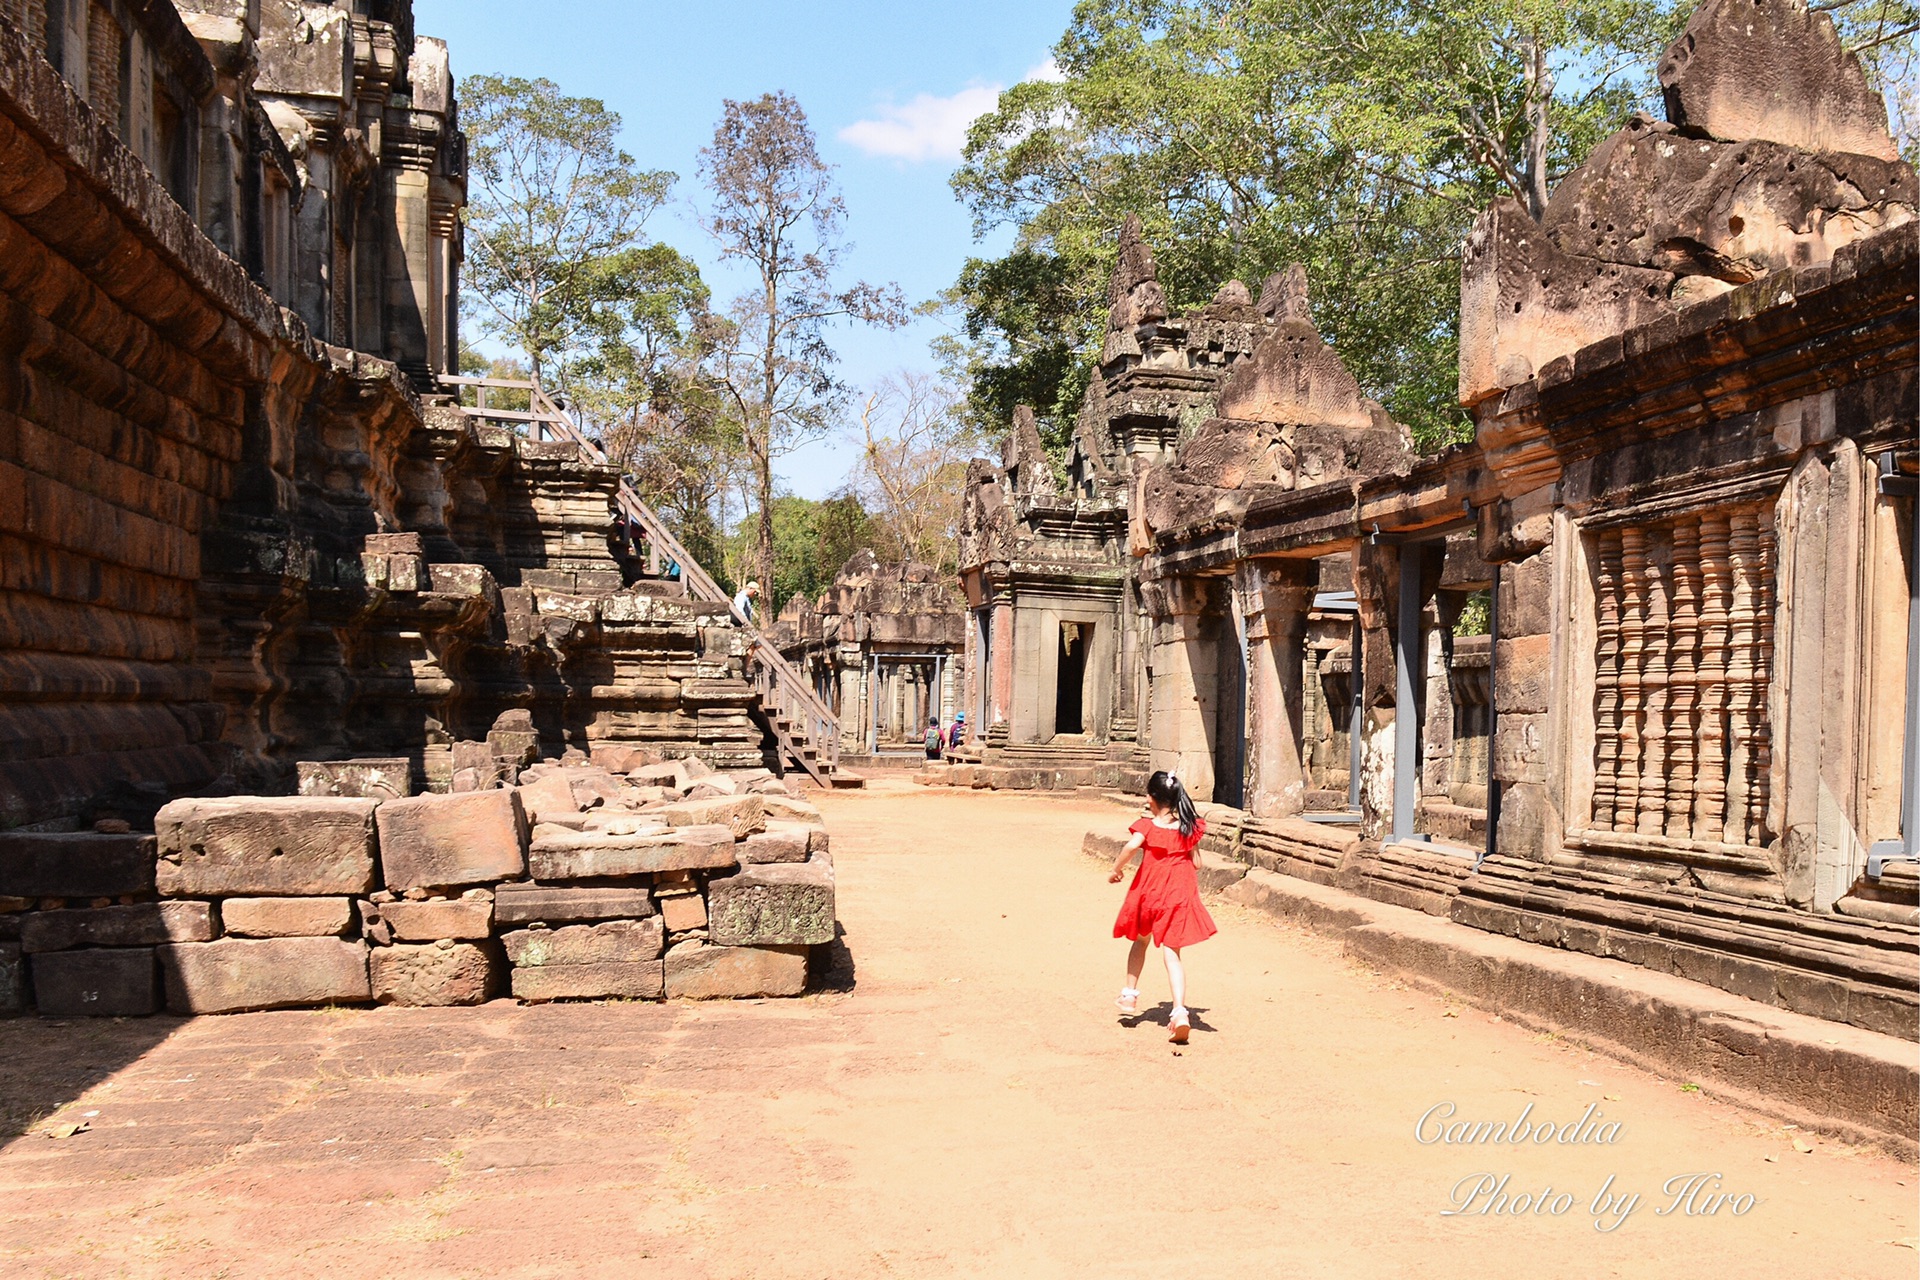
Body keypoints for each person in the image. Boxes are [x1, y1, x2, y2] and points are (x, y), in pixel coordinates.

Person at [1108, 770, 1216, 1044]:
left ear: (1151, 799)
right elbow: (1198, 864)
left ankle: (1129, 996)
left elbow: (1131, 847)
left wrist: (1116, 869)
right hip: (1178, 895)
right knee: (1172, 954)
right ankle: (1179, 1012)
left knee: (1141, 941)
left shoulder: (1146, 827)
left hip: (1150, 893)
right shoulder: (1189, 828)